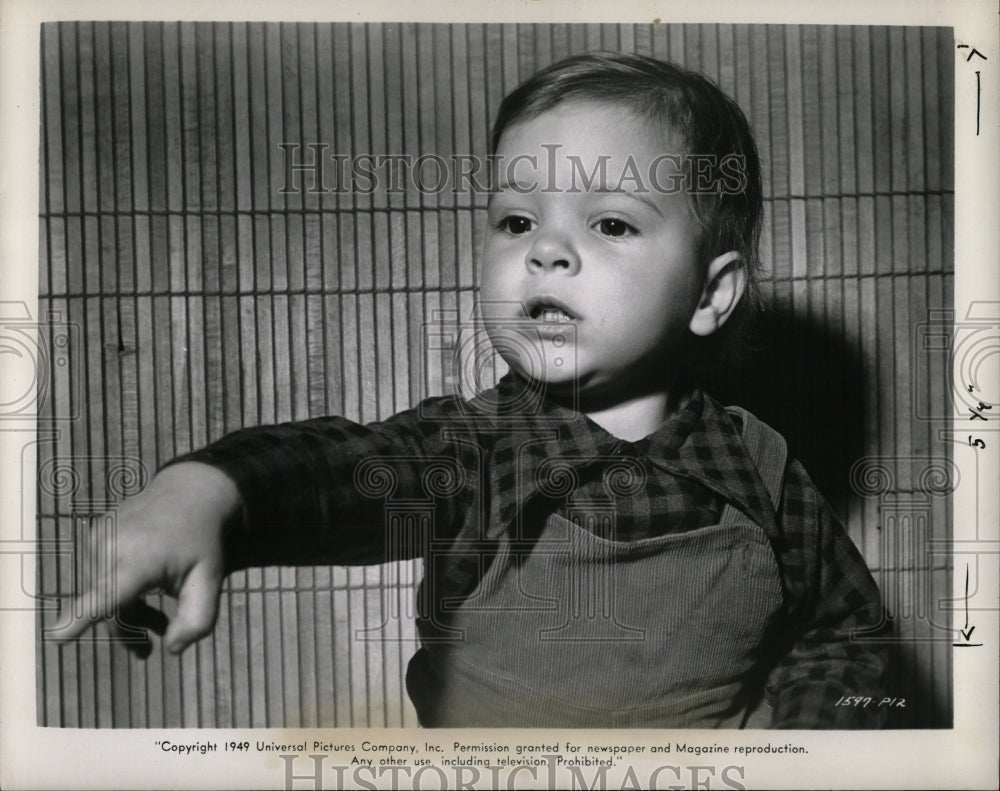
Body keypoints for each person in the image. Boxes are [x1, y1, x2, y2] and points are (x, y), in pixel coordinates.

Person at [53, 51, 886, 728]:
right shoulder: (468, 450)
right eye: (518, 221)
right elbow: (344, 469)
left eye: (611, 223)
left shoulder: (765, 471)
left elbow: (847, 637)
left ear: (710, 294)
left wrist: (807, 747)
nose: (546, 253)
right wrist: (210, 489)